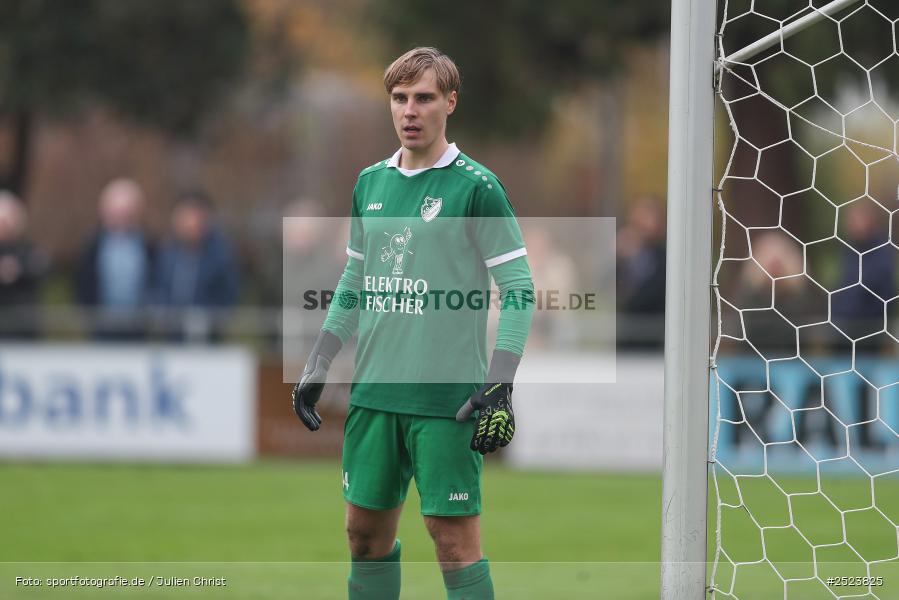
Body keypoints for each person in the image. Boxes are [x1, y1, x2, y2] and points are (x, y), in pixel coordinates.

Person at [290, 47, 535, 600]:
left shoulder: (477, 188)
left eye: (423, 98)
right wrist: (320, 359)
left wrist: (500, 379)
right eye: (399, 99)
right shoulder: (370, 183)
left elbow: (519, 290)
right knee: (363, 537)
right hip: (374, 394)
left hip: (446, 401)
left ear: (450, 102)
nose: (410, 110)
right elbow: (353, 282)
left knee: (452, 545)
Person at [153, 190, 241, 340]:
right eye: (184, 218)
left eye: (194, 218)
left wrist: (204, 316)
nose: (189, 224)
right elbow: (156, 288)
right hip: (172, 336)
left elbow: (229, 296)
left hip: (208, 338)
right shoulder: (166, 253)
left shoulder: (221, 256)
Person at [75, 178, 154, 339]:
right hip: (101, 327)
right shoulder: (92, 246)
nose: (121, 218)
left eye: (127, 212)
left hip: (138, 329)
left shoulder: (149, 245)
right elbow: (82, 283)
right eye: (116, 212)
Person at [0, 191, 45, 337]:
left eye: (6, 222)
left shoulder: (28, 250)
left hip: (23, 328)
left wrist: (18, 270)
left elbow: (41, 270)